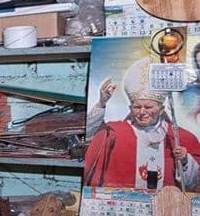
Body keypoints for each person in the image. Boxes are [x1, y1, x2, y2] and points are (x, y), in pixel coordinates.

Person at [85, 57, 200, 190]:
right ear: (130, 108)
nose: (142, 112)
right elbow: (89, 136)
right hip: (124, 203)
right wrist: (102, 102)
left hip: (166, 204)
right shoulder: (114, 132)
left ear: (161, 109)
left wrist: (185, 160)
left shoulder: (182, 137)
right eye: (137, 107)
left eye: (148, 107)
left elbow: (193, 184)